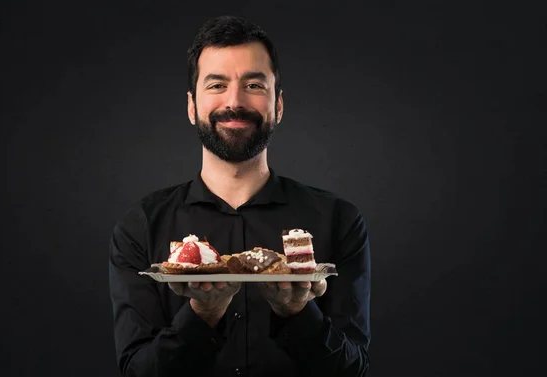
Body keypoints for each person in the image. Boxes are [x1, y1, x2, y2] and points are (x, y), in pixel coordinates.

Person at [108, 15, 371, 377]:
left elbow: (352, 371)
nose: (235, 101)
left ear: (278, 106)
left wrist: (296, 314)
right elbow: (138, 372)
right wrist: (203, 316)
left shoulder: (339, 220)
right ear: (191, 106)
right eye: (216, 85)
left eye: (254, 85)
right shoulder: (140, 226)